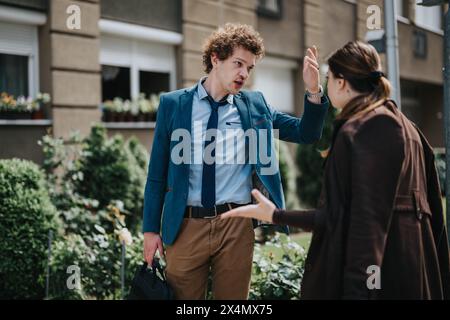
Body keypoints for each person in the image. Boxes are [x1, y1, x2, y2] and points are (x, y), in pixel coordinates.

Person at [221, 41, 450, 300]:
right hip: (411, 270)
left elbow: (367, 228)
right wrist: (276, 214)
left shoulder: (371, 128)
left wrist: (357, 291)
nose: (327, 87)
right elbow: (342, 215)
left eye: (328, 79)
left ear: (341, 82)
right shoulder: (406, 126)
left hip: (387, 276)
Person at [142, 23, 329, 300]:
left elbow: (306, 132)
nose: (244, 74)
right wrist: (149, 230)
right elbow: (157, 173)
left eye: (249, 68)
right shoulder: (174, 104)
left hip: (236, 225)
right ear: (216, 58)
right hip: (185, 226)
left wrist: (313, 90)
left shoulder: (255, 106)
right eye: (238, 63)